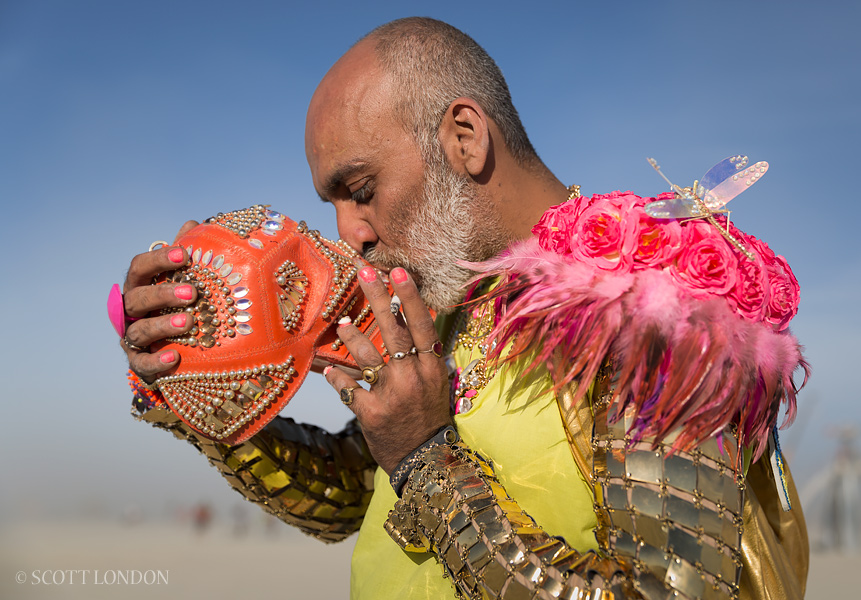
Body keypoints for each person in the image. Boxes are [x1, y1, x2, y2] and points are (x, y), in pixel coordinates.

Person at [118, 17, 809, 599]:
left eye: (360, 188)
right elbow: (357, 498)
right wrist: (188, 381)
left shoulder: (646, 299)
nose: (347, 232)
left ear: (465, 137)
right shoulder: (449, 299)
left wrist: (428, 460)